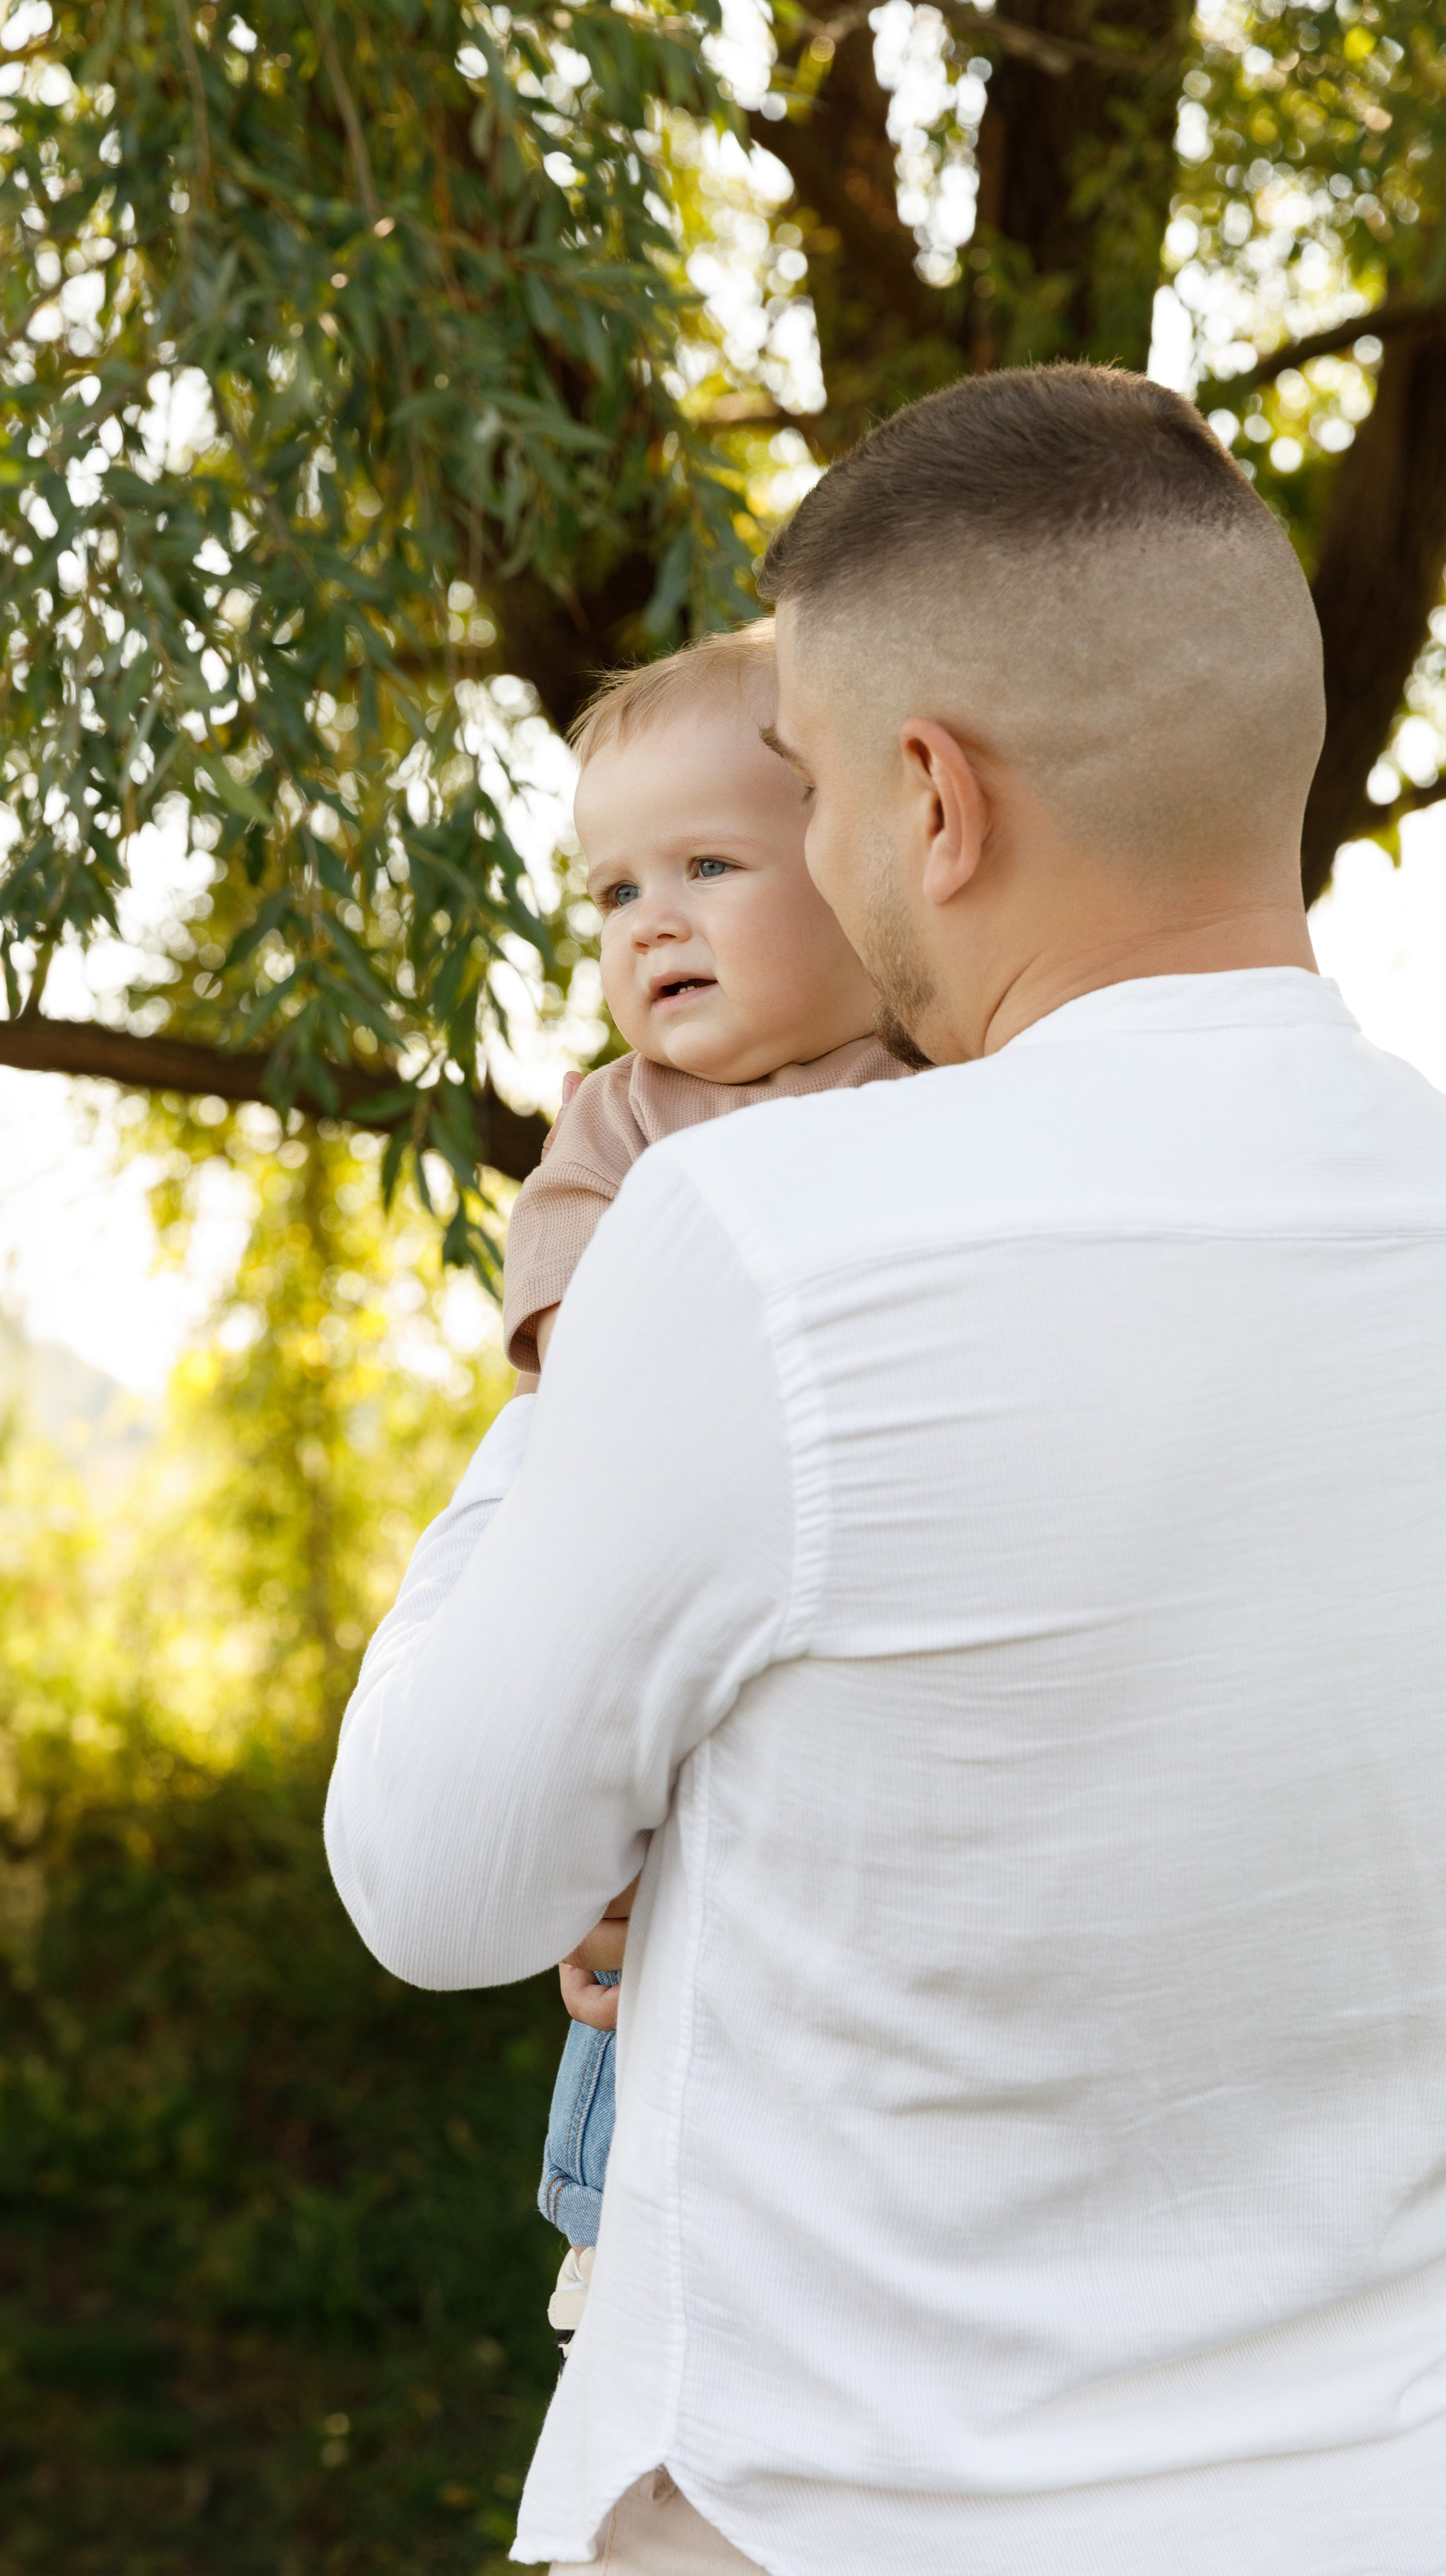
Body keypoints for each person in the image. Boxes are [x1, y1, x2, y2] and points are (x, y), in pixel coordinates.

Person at [327, 364, 1446, 2576]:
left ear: (933, 799)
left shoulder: (756, 1244)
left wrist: (564, 1383)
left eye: (818, 791)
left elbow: (437, 1883)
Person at [500, 625, 909, 2354]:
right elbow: (575, 1340)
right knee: (621, 1916)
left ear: (867, 862)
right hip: (668, 1606)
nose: (649, 922)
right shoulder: (630, 1119)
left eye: (708, 868)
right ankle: (622, 2263)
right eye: (612, 894)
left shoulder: (942, 1083)